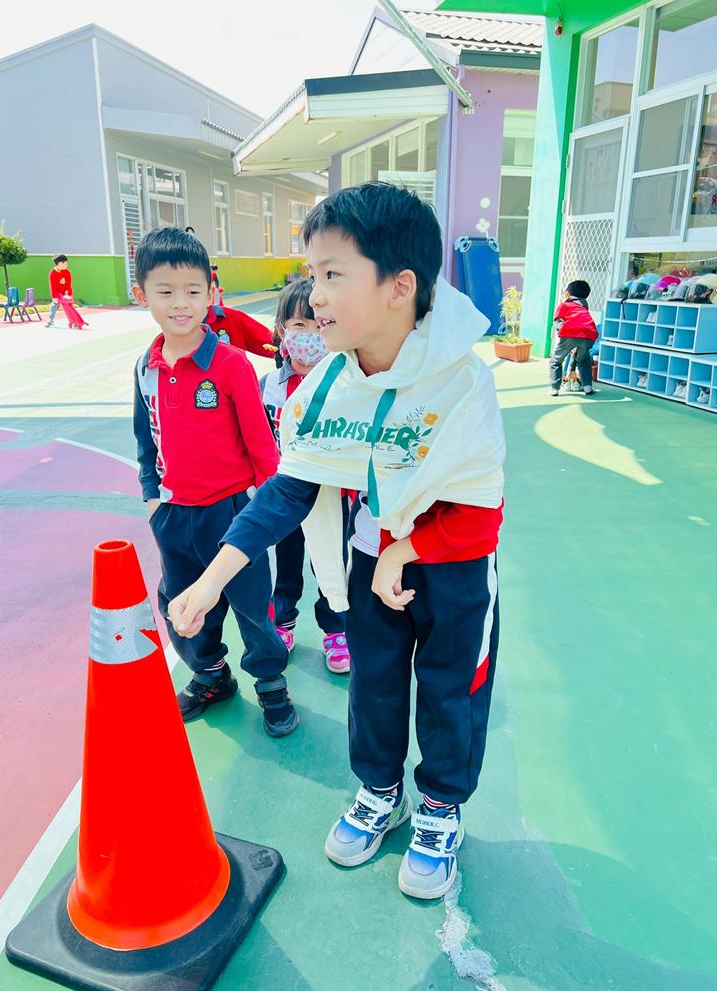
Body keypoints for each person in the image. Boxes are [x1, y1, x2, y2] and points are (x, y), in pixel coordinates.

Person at [168, 183, 505, 900]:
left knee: (451, 691)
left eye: (331, 275)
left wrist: (405, 549)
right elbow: (287, 491)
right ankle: (379, 792)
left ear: (399, 287)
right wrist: (211, 580)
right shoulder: (326, 387)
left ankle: (440, 807)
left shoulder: (462, 382)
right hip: (368, 563)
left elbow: (480, 512)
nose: (313, 297)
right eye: (311, 274)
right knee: (373, 686)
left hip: (454, 568)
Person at [131, 226, 297, 737]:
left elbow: (263, 449)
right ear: (141, 295)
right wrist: (153, 499)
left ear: (211, 294)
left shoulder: (230, 365)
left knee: (252, 606)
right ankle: (210, 675)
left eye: (192, 291)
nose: (180, 304)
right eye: (165, 291)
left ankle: (270, 682)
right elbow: (144, 438)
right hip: (174, 515)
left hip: (233, 514)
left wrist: (263, 514)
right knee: (179, 604)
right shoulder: (145, 368)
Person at [262, 279, 350, 673]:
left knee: (332, 564)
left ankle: (337, 629)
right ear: (282, 330)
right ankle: (283, 622)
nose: (310, 335)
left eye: (318, 325)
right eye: (299, 325)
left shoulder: (344, 383)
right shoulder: (268, 387)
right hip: (284, 495)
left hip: (330, 495)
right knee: (286, 563)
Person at [549, 280, 598, 396]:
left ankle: (554, 389)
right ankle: (588, 387)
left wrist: (563, 336)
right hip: (589, 334)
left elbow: (558, 322)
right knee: (584, 360)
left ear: (567, 294)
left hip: (570, 333)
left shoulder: (564, 305)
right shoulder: (584, 307)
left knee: (556, 361)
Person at [44, 254, 72, 328]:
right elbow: (52, 287)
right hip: (57, 294)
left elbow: (69, 284)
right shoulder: (53, 273)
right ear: (60, 263)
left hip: (65, 293)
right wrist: (54, 297)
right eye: (65, 264)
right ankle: (50, 320)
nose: (67, 265)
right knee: (54, 306)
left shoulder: (67, 272)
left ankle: (73, 321)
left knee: (69, 307)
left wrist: (68, 293)